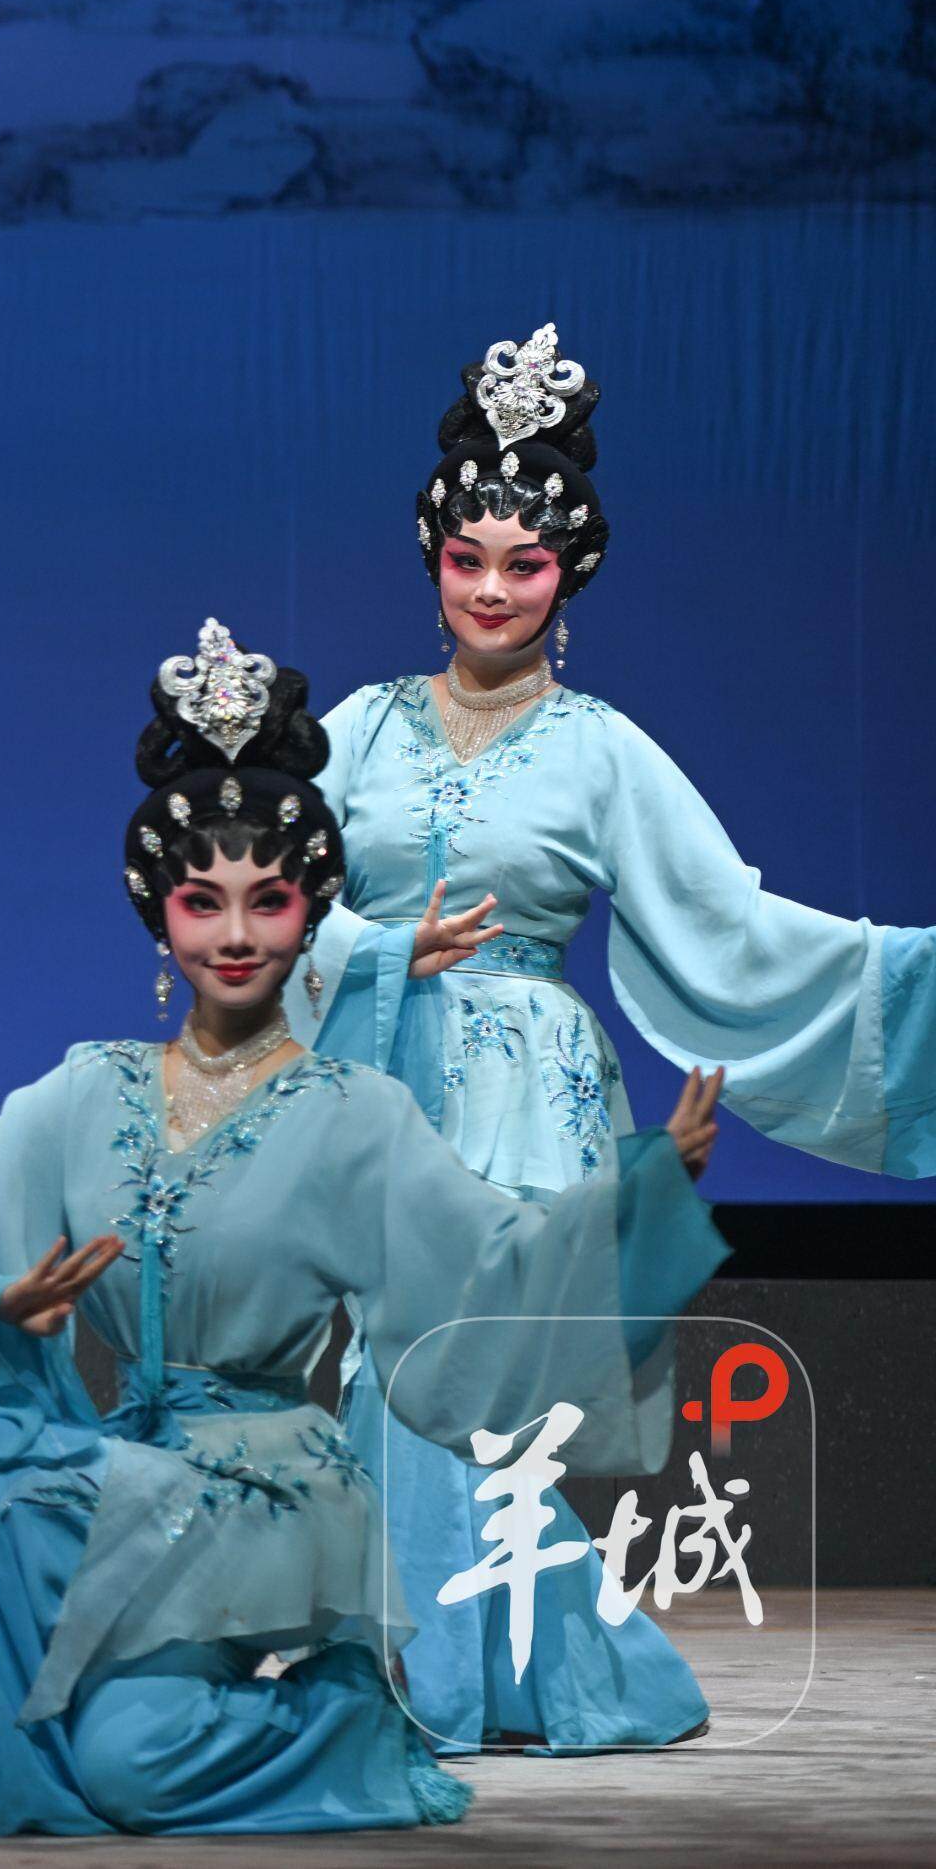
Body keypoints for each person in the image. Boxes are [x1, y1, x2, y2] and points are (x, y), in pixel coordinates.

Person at [0, 620, 728, 1837]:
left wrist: (637, 1196)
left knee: (128, 1765)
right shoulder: (87, 1089)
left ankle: (346, 1720)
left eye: (266, 901)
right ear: (155, 914)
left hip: (256, 1493)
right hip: (125, 1473)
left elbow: (493, 1260)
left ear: (312, 914)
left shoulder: (348, 1113)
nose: (233, 935)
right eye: (199, 901)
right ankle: (126, 1702)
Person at [306, 325, 934, 1754]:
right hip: (377, 1070)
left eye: (523, 563)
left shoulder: (600, 747)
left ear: (568, 573)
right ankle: (445, 1673)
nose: (490, 589)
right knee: (386, 1372)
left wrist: (911, 976)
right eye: (466, 558)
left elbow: (730, 922)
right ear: (431, 561)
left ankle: (449, 1680)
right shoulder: (358, 728)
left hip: (525, 1089)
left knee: (471, 1387)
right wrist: (378, 951)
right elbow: (268, 896)